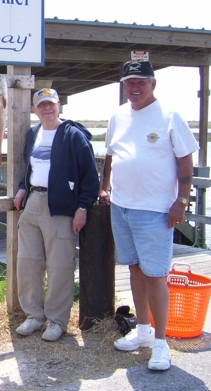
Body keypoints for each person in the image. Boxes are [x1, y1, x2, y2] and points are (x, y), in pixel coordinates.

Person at [99, 60, 198, 370]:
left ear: (153, 83)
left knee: (156, 276)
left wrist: (181, 201)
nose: (135, 87)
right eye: (130, 82)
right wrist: (105, 188)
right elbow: (110, 157)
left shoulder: (170, 116)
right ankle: (142, 331)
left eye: (141, 81)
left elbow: (185, 164)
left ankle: (160, 343)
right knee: (135, 271)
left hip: (155, 210)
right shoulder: (118, 116)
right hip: (122, 207)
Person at [13, 88, 99, 342]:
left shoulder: (73, 135)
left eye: (51, 104)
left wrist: (82, 208)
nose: (47, 109)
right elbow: (30, 167)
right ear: (34, 110)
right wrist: (21, 187)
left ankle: (57, 320)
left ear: (59, 106)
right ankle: (34, 315)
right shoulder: (32, 134)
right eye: (42, 105)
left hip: (61, 205)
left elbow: (90, 178)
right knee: (27, 261)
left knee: (60, 266)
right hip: (32, 202)